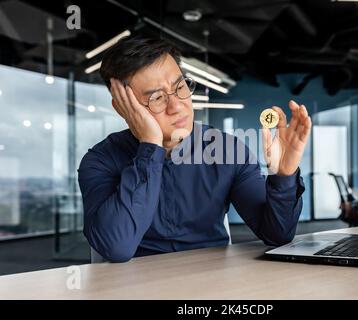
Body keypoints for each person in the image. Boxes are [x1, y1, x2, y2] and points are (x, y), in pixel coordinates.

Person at [77, 36, 312, 262]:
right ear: (124, 109)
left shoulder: (227, 150)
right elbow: (116, 248)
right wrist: (150, 146)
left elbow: (277, 235)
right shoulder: (100, 161)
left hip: (212, 283)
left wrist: (284, 175)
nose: (178, 106)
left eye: (180, 87)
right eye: (157, 98)